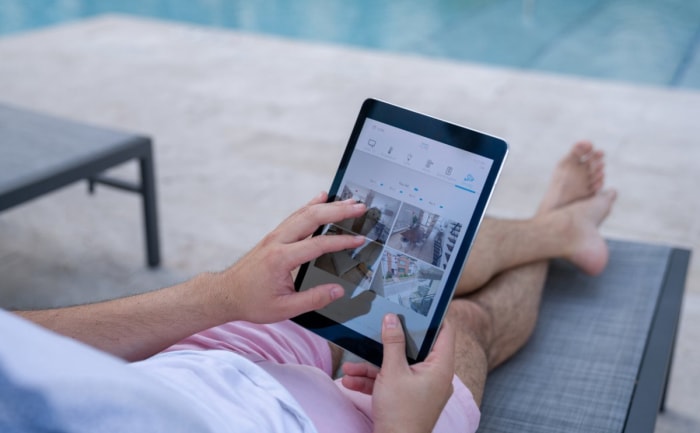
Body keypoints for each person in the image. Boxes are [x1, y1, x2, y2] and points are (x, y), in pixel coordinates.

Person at [2, 141, 616, 433]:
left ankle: (557, 230)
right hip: (309, 425)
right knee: (463, 329)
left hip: (183, 365)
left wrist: (218, 294)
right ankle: (558, 226)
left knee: (372, 251)